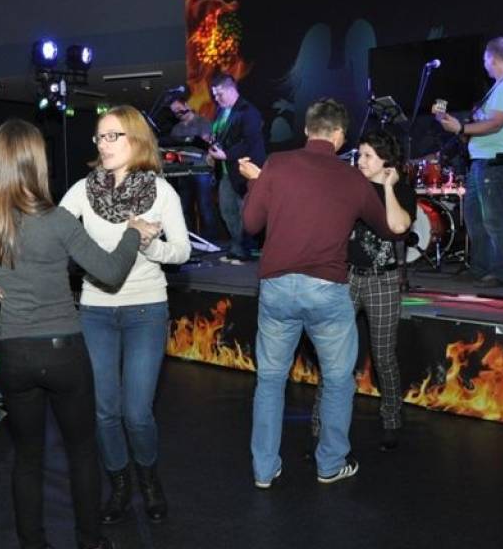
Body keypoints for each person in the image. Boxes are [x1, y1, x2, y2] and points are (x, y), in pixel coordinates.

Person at [0, 118, 157, 549]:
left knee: (27, 459)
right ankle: (90, 547)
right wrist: (134, 233)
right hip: (62, 352)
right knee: (81, 453)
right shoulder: (56, 222)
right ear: (37, 163)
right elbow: (109, 272)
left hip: (15, 354)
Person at [238, 99, 406, 489]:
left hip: (277, 287)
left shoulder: (277, 165)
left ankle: (264, 470)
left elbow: (250, 224)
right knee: (338, 380)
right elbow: (388, 229)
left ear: (307, 129)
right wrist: (386, 185)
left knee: (270, 381)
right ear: (339, 135)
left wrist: (256, 184)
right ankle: (329, 464)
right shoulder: (352, 179)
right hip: (327, 291)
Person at [60, 105, 190, 524]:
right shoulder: (82, 190)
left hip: (146, 308)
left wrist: (150, 245)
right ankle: (119, 484)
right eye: (100, 136)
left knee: (137, 413)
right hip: (95, 309)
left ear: (135, 139)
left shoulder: (161, 192)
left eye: (112, 135)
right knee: (104, 411)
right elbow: (53, 235)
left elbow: (182, 251)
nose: (104, 144)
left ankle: (149, 480)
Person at [309, 131, 416, 452]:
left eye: (369, 155)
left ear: (386, 160)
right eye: (360, 154)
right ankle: (319, 427)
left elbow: (399, 227)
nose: (360, 161)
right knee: (334, 356)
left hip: (383, 281)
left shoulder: (402, 191)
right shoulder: (350, 186)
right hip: (347, 278)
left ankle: (391, 420)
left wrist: (388, 187)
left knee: (383, 356)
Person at [434, 36, 503, 288]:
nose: (484, 65)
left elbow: (496, 123)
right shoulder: (501, 86)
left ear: (492, 58)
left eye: (485, 60)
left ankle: (500, 272)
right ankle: (480, 268)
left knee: (494, 219)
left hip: (496, 161)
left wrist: (461, 128)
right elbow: (485, 121)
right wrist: (454, 124)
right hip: (484, 160)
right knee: (475, 217)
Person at [208, 73, 266, 264]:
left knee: (244, 212)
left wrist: (226, 155)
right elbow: (220, 137)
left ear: (231, 90)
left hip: (244, 170)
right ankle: (237, 248)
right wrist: (212, 150)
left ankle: (245, 250)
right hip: (226, 171)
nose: (216, 99)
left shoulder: (248, 111)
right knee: (227, 211)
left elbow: (250, 142)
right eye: (214, 95)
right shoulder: (221, 112)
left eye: (219, 94)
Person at [167, 96, 217, 241]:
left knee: (204, 206)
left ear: (186, 105)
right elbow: (173, 153)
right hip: (183, 172)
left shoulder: (203, 122)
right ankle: (191, 240)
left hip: (201, 170)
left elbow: (208, 144)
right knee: (185, 207)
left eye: (178, 108)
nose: (177, 113)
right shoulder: (176, 129)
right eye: (174, 111)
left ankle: (210, 241)